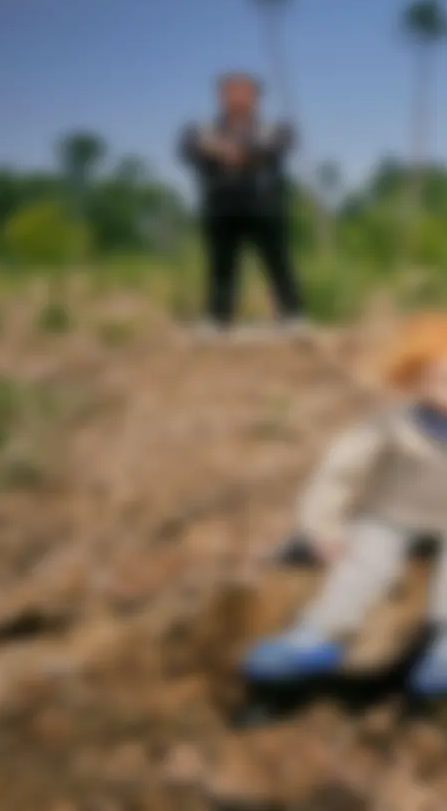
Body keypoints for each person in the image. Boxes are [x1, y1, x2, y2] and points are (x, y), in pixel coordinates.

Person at [241, 313, 447, 696]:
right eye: (439, 378)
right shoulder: (393, 426)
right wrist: (321, 526)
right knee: (362, 563)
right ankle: (318, 634)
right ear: (414, 379)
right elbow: (338, 472)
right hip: (390, 515)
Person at [178, 72, 305, 337]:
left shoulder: (273, 127)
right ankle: (217, 319)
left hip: (264, 204)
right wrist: (225, 150)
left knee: (278, 261)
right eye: (231, 92)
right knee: (221, 265)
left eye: (244, 92)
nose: (237, 98)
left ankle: (292, 316)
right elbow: (188, 147)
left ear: (256, 98)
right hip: (220, 206)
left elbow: (280, 145)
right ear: (220, 97)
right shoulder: (203, 128)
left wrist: (236, 150)